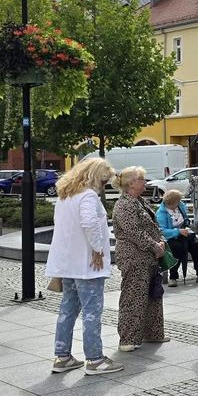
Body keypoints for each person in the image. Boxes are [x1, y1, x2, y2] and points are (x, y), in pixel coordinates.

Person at [46, 158, 123, 376]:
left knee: (67, 309)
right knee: (92, 311)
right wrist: (98, 249)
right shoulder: (87, 196)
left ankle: (62, 356)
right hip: (87, 264)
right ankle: (95, 359)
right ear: (95, 176)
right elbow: (89, 223)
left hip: (68, 263)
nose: (103, 185)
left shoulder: (66, 196)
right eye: (103, 180)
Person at [111, 166, 169, 352]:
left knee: (153, 295)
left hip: (149, 257)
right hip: (134, 258)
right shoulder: (124, 205)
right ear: (131, 184)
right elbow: (135, 232)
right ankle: (127, 339)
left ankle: (152, 333)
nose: (145, 182)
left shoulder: (139, 201)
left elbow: (153, 225)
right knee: (133, 298)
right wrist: (155, 246)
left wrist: (161, 241)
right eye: (142, 179)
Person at [156, 190, 198, 286]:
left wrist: (186, 226)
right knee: (176, 248)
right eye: (178, 201)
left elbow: (186, 219)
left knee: (195, 246)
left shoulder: (180, 206)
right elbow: (162, 231)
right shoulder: (161, 213)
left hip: (184, 234)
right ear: (172, 202)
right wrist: (177, 232)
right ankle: (173, 277)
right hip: (171, 238)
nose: (180, 202)